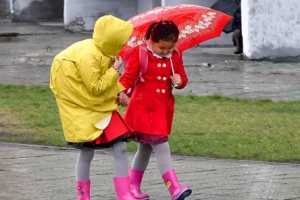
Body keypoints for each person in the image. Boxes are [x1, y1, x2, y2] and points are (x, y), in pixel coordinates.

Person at [49, 15, 137, 200]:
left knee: (120, 146)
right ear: (112, 40)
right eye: (122, 42)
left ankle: (125, 195)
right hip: (81, 104)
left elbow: (104, 83)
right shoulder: (89, 55)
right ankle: (83, 196)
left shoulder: (107, 52)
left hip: (100, 106)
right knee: (87, 151)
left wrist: (117, 92)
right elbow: (95, 87)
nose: (124, 45)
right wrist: (115, 71)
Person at [119, 21, 192, 200]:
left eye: (171, 47)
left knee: (145, 149)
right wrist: (119, 91)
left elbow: (183, 78)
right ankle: (174, 188)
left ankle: (132, 186)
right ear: (152, 40)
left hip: (162, 108)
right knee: (161, 146)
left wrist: (179, 81)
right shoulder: (140, 53)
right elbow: (129, 76)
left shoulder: (175, 55)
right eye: (162, 47)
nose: (166, 51)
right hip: (143, 108)